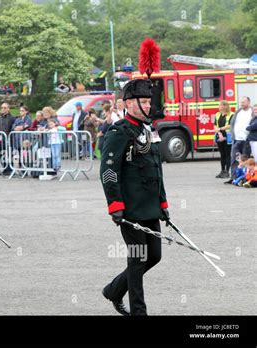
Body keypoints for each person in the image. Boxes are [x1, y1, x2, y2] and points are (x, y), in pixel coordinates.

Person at [100, 79, 169, 316]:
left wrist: (163, 203)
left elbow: (156, 170)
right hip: (129, 209)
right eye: (145, 102)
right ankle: (139, 312)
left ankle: (113, 290)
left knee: (155, 256)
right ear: (129, 103)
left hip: (150, 207)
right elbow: (109, 171)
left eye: (150, 102)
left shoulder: (149, 130)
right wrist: (115, 205)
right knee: (138, 259)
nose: (149, 106)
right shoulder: (119, 131)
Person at [227, 96, 252, 183]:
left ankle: (246, 177)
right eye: (241, 102)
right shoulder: (238, 112)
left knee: (245, 159)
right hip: (236, 139)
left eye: (243, 102)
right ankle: (234, 177)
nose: (241, 104)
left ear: (248, 103)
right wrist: (232, 135)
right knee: (234, 159)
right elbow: (232, 123)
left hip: (246, 140)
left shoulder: (251, 112)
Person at [0, 103, 15, 175]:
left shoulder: (12, 118)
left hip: (10, 139)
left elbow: (13, 128)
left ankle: (9, 169)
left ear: (8, 109)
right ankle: (4, 167)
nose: (3, 109)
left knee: (9, 154)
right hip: (1, 140)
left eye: (5, 108)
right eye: (2, 108)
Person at [213, 100, 234, 178]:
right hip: (220, 136)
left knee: (227, 154)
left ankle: (227, 172)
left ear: (225, 106)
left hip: (228, 137)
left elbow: (230, 125)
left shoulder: (231, 114)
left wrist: (220, 129)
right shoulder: (218, 114)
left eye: (220, 105)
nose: (219, 107)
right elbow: (215, 125)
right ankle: (222, 171)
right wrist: (219, 133)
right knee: (222, 155)